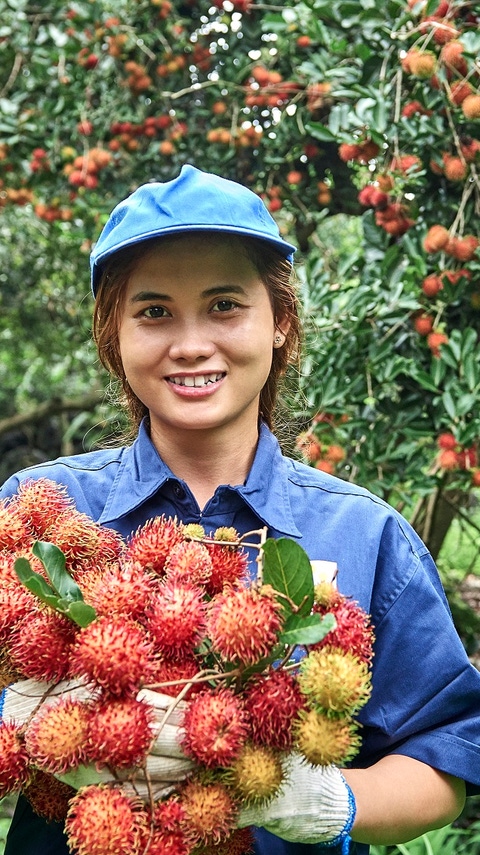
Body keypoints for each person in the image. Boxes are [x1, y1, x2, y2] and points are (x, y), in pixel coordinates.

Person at [1, 163, 479, 855]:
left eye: (225, 305)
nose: (192, 343)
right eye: (154, 311)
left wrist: (333, 800)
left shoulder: (366, 535)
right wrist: (19, 725)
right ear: (115, 335)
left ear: (281, 322)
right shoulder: (39, 512)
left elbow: (445, 760)